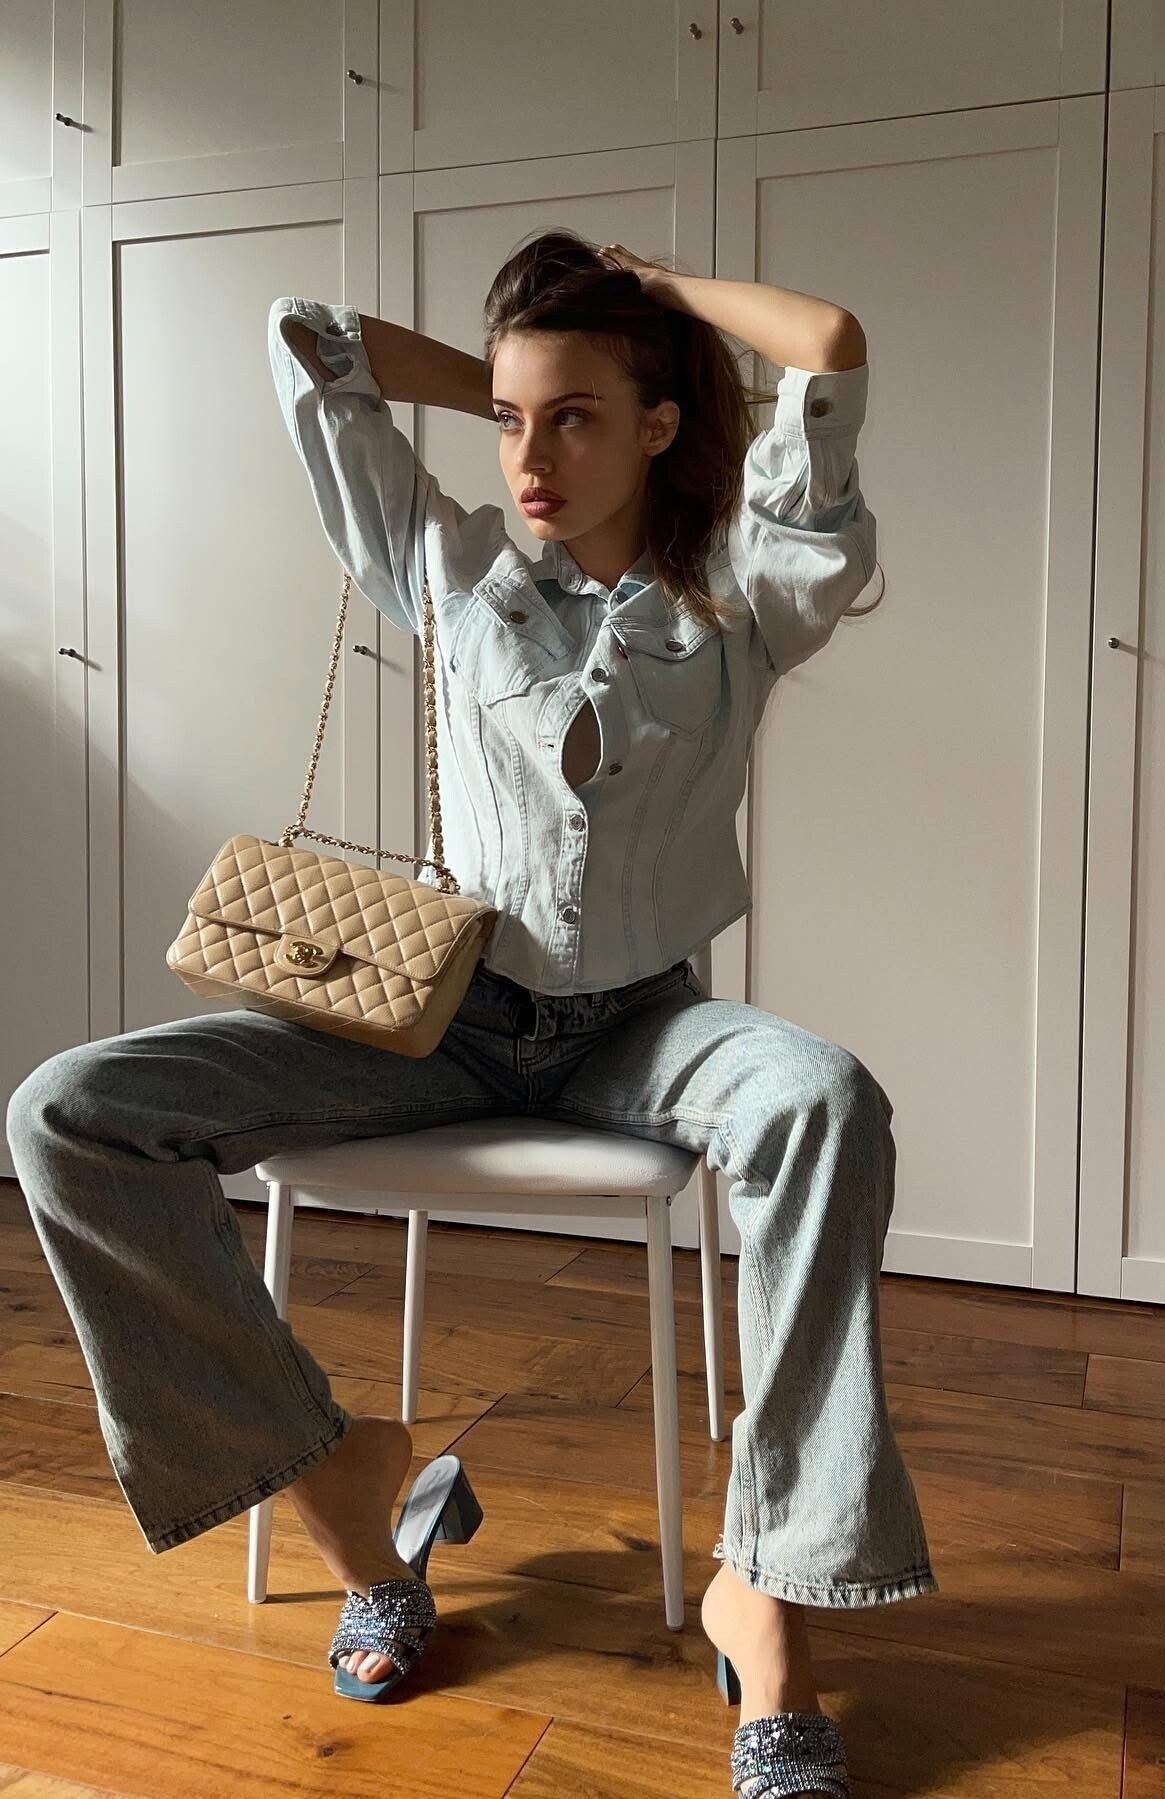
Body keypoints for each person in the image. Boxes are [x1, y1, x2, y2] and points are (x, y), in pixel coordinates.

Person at [5, 229, 934, 1798]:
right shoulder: (446, 568)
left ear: (659, 425)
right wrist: (519, 372)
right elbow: (310, 336)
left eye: (575, 419)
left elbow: (830, 345)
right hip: (436, 1021)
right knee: (68, 1112)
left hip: (647, 1031)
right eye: (510, 421)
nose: (529, 459)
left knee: (824, 1097)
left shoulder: (743, 593)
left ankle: (766, 1601)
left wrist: (656, 302)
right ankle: (351, 1497)